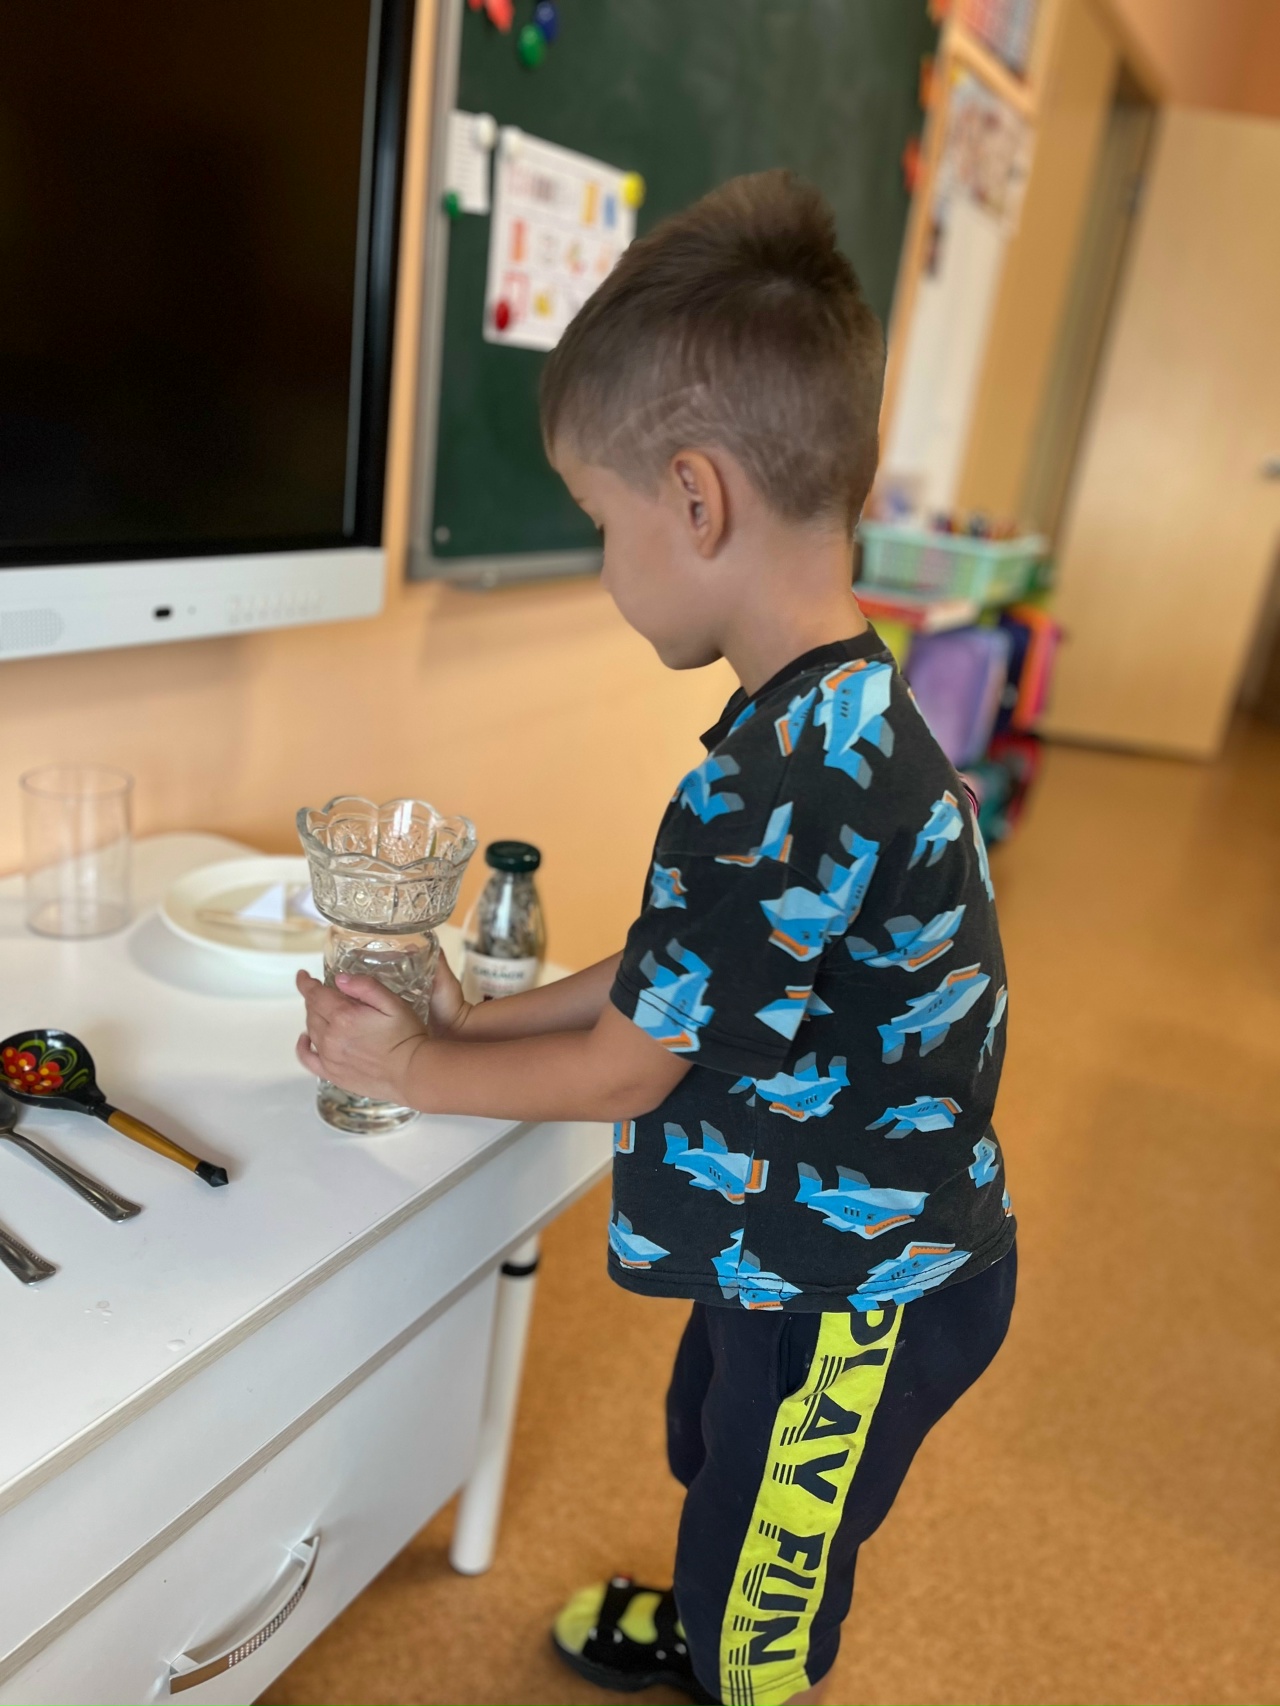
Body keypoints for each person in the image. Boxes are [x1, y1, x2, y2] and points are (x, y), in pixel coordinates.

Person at [297, 170, 1016, 1706]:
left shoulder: (785, 782)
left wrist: (408, 1067)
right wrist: (467, 1019)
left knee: (767, 1563)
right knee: (714, 1446)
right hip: (794, 1227)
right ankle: (710, 1614)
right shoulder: (825, 715)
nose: (604, 561)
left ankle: (734, 1657)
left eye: (600, 524)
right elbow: (673, 971)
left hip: (866, 1277)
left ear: (695, 500)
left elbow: (631, 1067)